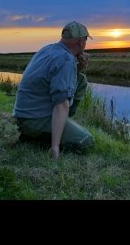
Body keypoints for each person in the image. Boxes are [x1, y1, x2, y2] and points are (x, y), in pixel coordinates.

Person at [13, 21, 95, 159]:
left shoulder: (48, 49)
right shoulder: (66, 60)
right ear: (81, 43)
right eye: (86, 40)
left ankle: (53, 127)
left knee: (81, 79)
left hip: (23, 117)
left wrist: (79, 67)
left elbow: (61, 81)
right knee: (86, 141)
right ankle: (40, 138)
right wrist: (55, 147)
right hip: (35, 121)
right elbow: (61, 104)